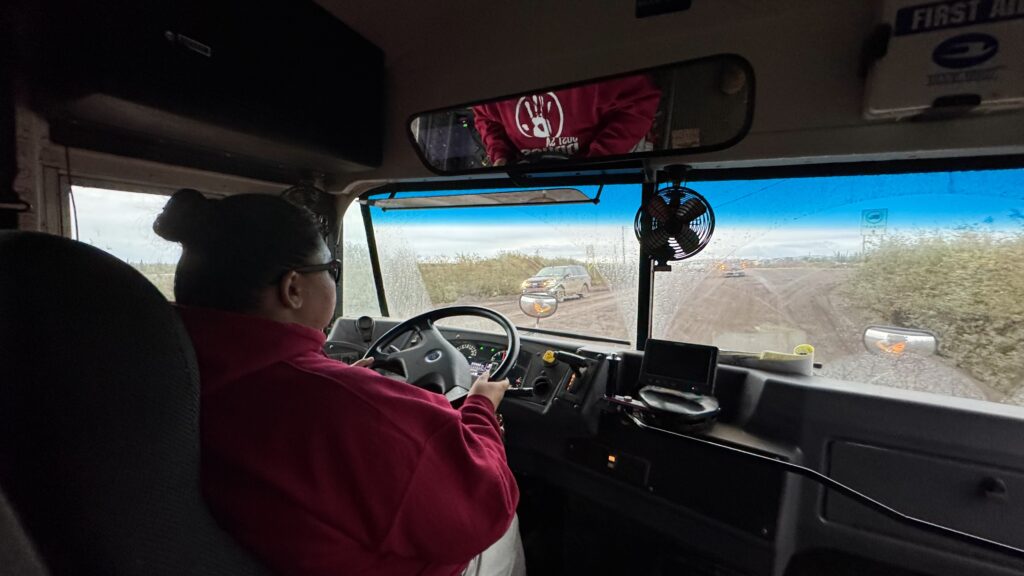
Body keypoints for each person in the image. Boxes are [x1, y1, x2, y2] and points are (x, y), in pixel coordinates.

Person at [152, 189, 525, 576]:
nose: (333, 279)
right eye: (331, 270)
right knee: (505, 518)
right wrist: (480, 408)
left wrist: (344, 382)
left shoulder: (163, 375)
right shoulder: (339, 409)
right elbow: (482, 507)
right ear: (293, 288)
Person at [472, 73, 660, 166]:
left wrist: (597, 159)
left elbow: (640, 102)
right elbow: (485, 118)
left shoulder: (597, 70)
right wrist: (500, 156)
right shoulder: (495, 78)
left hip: (596, 166)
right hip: (530, 175)